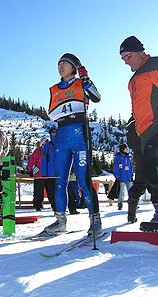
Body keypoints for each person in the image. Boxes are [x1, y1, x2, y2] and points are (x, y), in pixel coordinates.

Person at [43, 53, 102, 236]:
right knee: (60, 181)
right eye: (58, 64)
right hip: (61, 134)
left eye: (65, 64)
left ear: (74, 67)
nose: (60, 67)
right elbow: (51, 113)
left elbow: (96, 97)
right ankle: (60, 221)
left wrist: (86, 80)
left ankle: (95, 221)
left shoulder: (81, 82)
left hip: (79, 133)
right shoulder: (54, 89)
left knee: (84, 180)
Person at [119, 36, 158, 231]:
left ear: (139, 51)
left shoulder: (156, 65)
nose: (126, 62)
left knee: (157, 169)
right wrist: (132, 126)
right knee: (149, 173)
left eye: (128, 56)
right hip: (143, 132)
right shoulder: (133, 79)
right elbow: (137, 108)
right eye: (123, 59)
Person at [126, 116, 158, 223]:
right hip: (151, 150)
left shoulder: (132, 120)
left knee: (139, 182)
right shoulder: (151, 113)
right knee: (154, 180)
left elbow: (130, 143)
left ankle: (131, 214)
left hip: (139, 154)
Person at [41, 126, 78, 214]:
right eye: (53, 132)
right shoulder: (47, 145)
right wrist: (44, 173)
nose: (55, 133)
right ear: (50, 134)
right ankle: (56, 209)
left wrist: (72, 169)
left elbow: (70, 157)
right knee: (52, 193)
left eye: (56, 132)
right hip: (51, 174)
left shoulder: (65, 144)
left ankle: (72, 209)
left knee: (68, 191)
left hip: (63, 172)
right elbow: (43, 160)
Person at [27, 138, 48, 211]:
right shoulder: (38, 151)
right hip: (39, 173)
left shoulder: (50, 150)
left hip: (49, 174)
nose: (45, 144)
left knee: (51, 190)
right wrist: (30, 170)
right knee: (39, 191)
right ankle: (37, 205)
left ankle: (54, 206)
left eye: (46, 143)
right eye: (44, 143)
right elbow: (31, 160)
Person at [113, 143, 133, 210]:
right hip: (121, 177)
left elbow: (130, 167)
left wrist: (131, 175)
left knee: (130, 191)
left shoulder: (127, 157)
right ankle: (120, 204)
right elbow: (115, 167)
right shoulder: (118, 157)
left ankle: (132, 204)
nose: (127, 149)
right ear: (123, 149)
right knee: (121, 192)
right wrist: (117, 176)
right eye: (126, 148)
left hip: (128, 177)